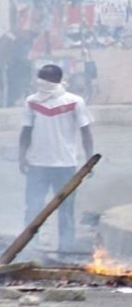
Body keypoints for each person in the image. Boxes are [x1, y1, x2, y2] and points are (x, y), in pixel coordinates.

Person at [18, 64, 94, 251]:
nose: (41, 82)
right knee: (33, 209)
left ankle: (66, 248)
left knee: (66, 210)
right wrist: (22, 156)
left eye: (45, 78)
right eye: (40, 77)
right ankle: (28, 248)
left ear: (57, 80)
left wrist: (89, 159)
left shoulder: (74, 101)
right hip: (38, 164)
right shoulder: (31, 102)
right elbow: (26, 131)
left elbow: (86, 132)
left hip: (65, 165)